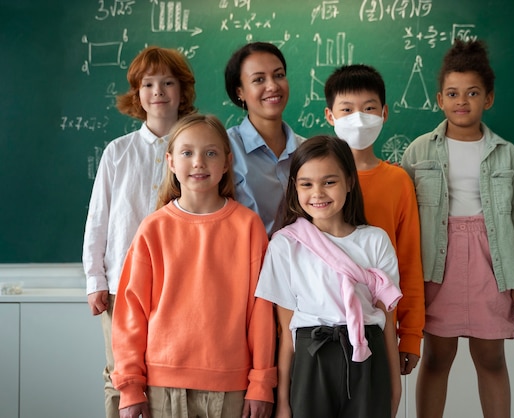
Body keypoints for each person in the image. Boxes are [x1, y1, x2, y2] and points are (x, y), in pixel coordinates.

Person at [401, 39, 514, 418]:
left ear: (488, 99)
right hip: (437, 262)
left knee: (491, 358)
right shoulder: (418, 151)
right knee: (436, 357)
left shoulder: (506, 153)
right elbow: (405, 219)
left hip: (491, 263)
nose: (462, 100)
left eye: (473, 92)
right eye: (453, 93)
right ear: (439, 99)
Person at [111, 113, 277, 418]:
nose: (198, 162)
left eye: (210, 153)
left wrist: (262, 381)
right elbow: (131, 311)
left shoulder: (248, 227)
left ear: (227, 163)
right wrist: (131, 385)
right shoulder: (153, 228)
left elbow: (261, 310)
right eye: (187, 153)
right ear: (171, 162)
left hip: (232, 386)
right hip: (163, 385)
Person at [82, 45, 197, 418]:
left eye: (168, 82)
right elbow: (98, 220)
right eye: (148, 84)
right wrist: (94, 280)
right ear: (137, 95)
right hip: (121, 283)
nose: (159, 91)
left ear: (183, 92)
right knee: (121, 372)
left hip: (179, 283)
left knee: (167, 373)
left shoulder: (196, 151)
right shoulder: (118, 152)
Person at [256, 135, 403, 418]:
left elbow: (388, 325)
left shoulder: (375, 241)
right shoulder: (285, 245)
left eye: (329, 182)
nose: (318, 193)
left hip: (368, 360)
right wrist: (284, 403)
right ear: (294, 187)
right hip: (312, 361)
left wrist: (395, 389)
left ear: (349, 182)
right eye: (306, 184)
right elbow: (287, 336)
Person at [323, 64, 425, 375]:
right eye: (347, 109)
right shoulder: (316, 180)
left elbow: (408, 261)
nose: (359, 117)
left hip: (381, 323)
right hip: (322, 323)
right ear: (330, 116)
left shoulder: (398, 181)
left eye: (369, 108)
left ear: (384, 113)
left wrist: (410, 335)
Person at [224, 41, 306, 235]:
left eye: (279, 75)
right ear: (240, 92)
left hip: (300, 262)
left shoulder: (308, 150)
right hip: (245, 260)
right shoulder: (224, 148)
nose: (272, 86)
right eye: (259, 80)